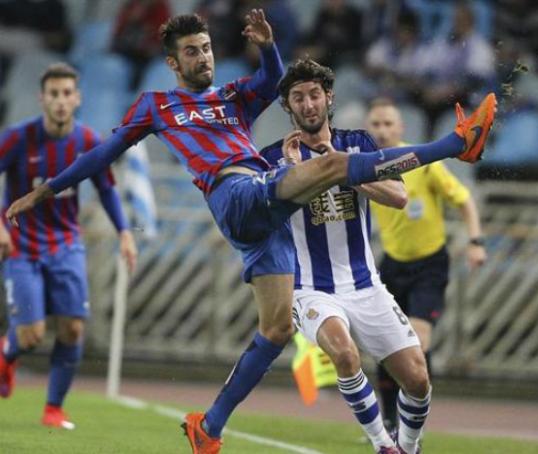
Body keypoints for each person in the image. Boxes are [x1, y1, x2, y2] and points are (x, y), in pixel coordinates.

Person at [5, 11, 497, 454]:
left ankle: (209, 428)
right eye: (192, 51)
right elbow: (100, 156)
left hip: (266, 223)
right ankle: (456, 143)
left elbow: (274, 80)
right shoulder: (156, 105)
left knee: (277, 329)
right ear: (174, 63)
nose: (204, 57)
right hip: (236, 194)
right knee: (333, 167)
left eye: (207, 47)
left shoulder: (234, 97)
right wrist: (47, 190)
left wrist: (269, 45)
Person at [261, 58, 431, 454]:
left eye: (314, 95)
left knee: (418, 380)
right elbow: (265, 215)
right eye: (298, 97)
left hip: (365, 284)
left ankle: (408, 447)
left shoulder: (359, 145)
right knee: (344, 352)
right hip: (309, 288)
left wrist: (343, 170)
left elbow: (399, 196)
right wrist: (295, 172)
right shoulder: (273, 157)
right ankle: (382, 446)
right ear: (288, 106)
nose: (307, 104)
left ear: (328, 98)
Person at [0, 62, 137, 429]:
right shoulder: (17, 138)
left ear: (77, 99)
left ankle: (53, 409)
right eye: (53, 94)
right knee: (31, 336)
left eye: (66, 94)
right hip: (21, 247)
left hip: (66, 244)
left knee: (73, 328)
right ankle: (7, 352)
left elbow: (106, 189)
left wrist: (124, 231)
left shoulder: (88, 142)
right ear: (41, 98)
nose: (60, 101)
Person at [366, 98, 487, 433]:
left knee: (418, 342)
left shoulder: (421, 162)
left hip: (430, 263)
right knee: (387, 347)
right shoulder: (366, 165)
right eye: (376, 124)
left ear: (401, 128)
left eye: (388, 123)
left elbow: (464, 200)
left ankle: (414, 421)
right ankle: (390, 421)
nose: (382, 130)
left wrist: (475, 242)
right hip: (392, 264)